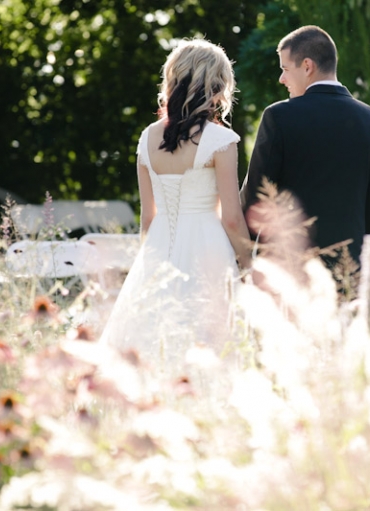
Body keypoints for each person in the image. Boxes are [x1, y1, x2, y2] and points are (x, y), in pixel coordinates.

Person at [99, 39, 251, 369]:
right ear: (217, 85)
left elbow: (147, 218)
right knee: (213, 339)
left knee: (153, 338)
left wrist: (149, 262)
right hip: (207, 248)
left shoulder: (147, 137)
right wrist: (250, 263)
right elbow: (231, 218)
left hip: (157, 247)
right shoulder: (221, 140)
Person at [240, 25, 370, 263]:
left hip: (289, 267)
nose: (282, 79)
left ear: (307, 66)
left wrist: (243, 254)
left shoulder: (279, 117)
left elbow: (256, 196)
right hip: (351, 266)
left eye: (285, 69)